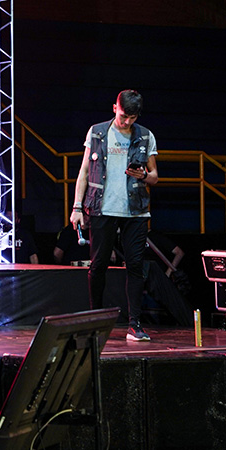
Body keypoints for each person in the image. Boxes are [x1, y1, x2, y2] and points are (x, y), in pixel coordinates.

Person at [70, 89, 159, 342]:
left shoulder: (145, 135)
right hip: (102, 208)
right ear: (114, 108)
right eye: (123, 116)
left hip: (136, 211)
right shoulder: (97, 132)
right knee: (98, 265)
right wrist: (77, 207)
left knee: (135, 266)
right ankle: (95, 321)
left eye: (132, 117)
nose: (126, 121)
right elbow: (84, 171)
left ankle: (135, 324)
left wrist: (144, 175)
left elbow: (154, 176)